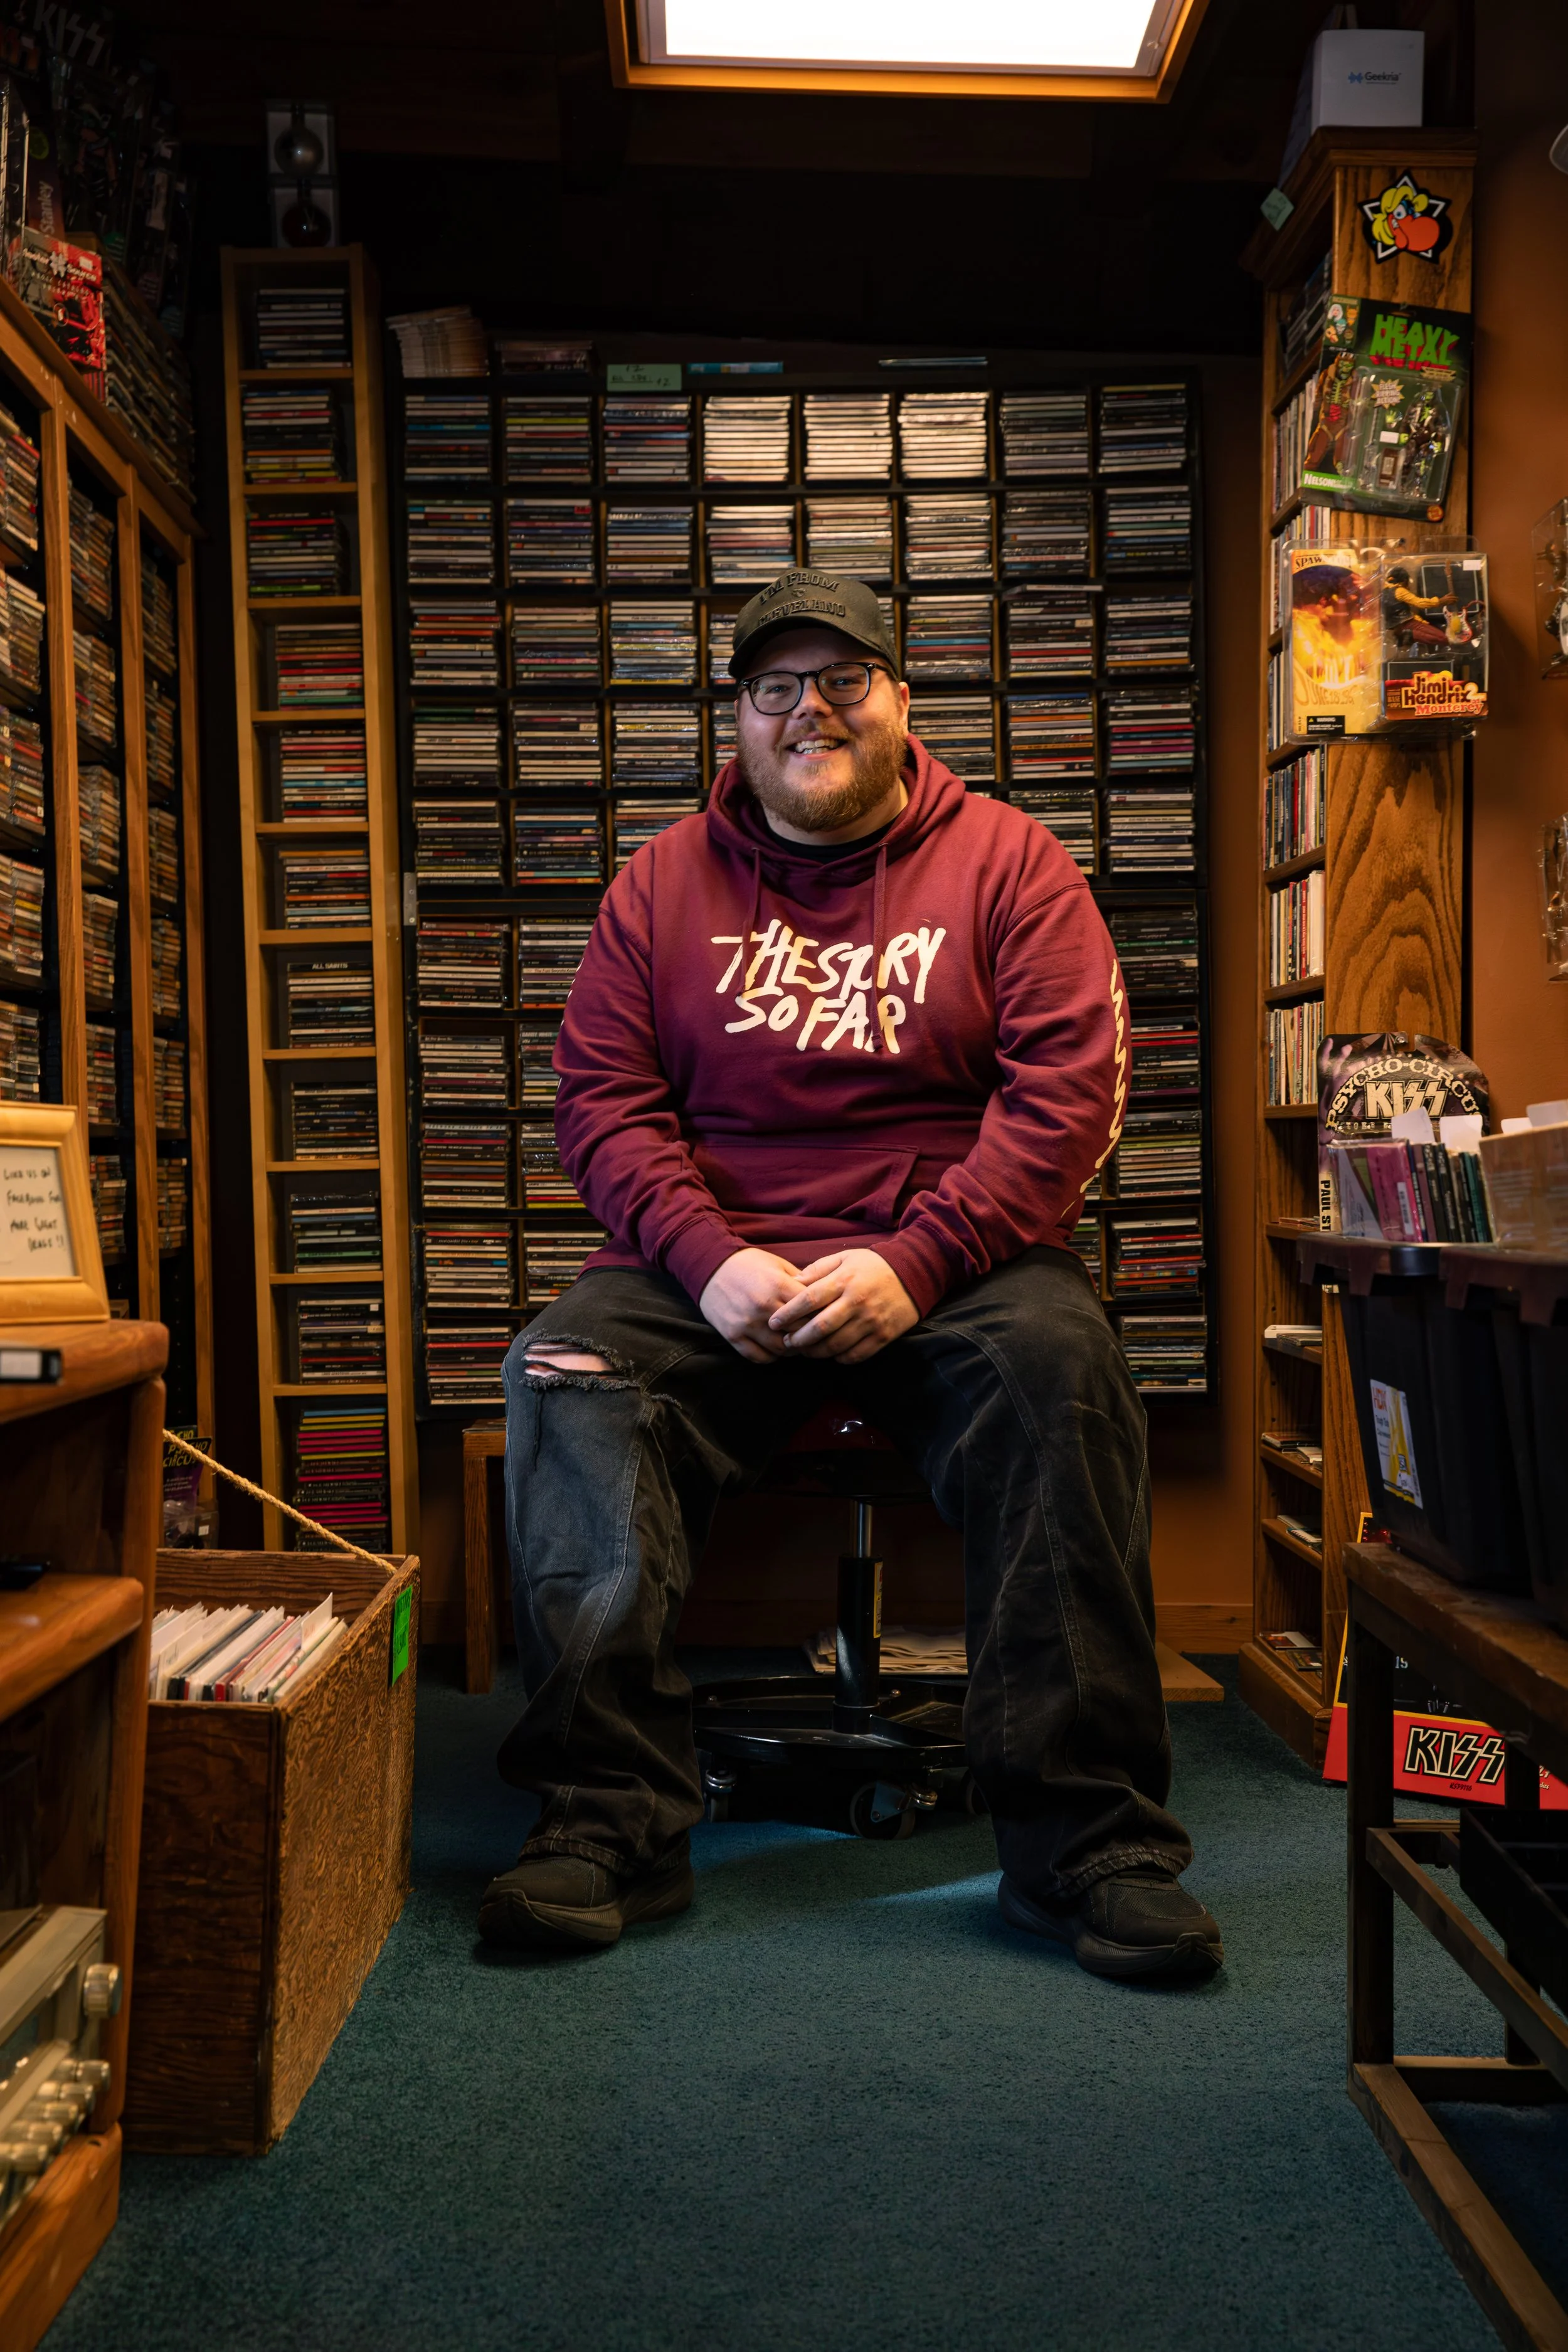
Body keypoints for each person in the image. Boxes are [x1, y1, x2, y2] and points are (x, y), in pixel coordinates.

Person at [480, 567, 1223, 1984]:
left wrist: (919, 1257)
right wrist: (707, 1263)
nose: (806, 711)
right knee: (564, 1376)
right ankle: (605, 1823)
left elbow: (1066, 1095)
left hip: (954, 1259)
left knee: (1063, 1379)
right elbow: (599, 1104)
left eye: (840, 682)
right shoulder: (655, 886)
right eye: (774, 688)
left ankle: (1086, 1846)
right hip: (716, 1260)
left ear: (900, 699)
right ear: (737, 718)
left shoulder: (1009, 863)